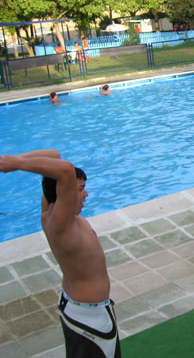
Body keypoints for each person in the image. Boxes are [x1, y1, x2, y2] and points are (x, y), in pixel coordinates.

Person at [0, 149, 121, 357]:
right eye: (81, 189)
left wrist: (6, 162)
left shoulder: (48, 211)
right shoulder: (61, 225)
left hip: (80, 308)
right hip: (89, 319)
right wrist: (16, 163)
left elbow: (54, 156)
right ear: (64, 191)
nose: (86, 195)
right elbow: (64, 169)